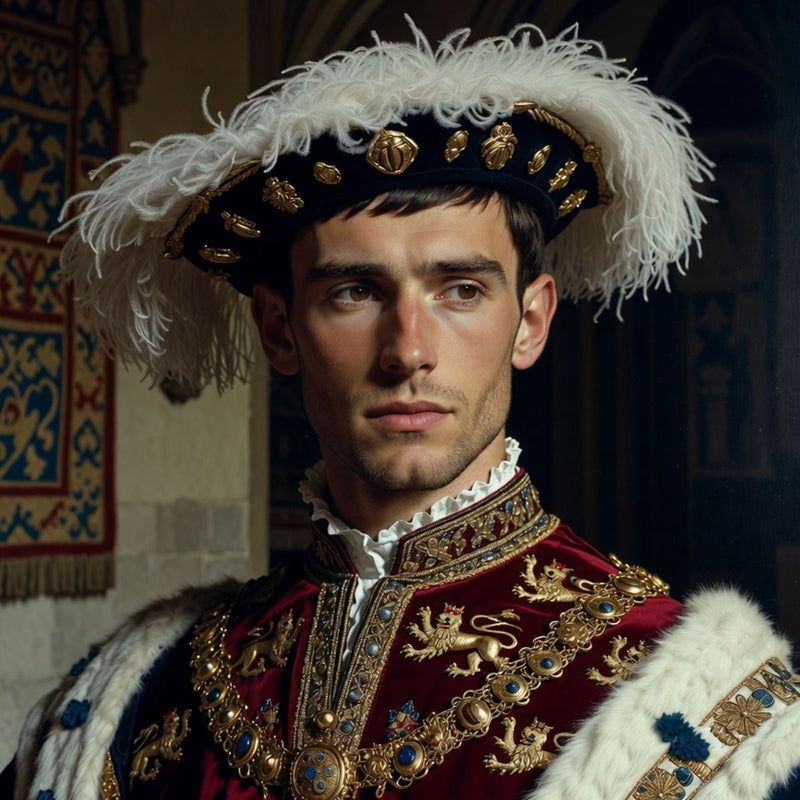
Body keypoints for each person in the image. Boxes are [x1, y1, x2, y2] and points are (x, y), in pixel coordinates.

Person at [4, 21, 799, 800]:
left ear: (530, 322)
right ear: (280, 329)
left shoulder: (700, 703)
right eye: (355, 292)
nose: (407, 349)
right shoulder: (139, 690)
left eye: (461, 290)